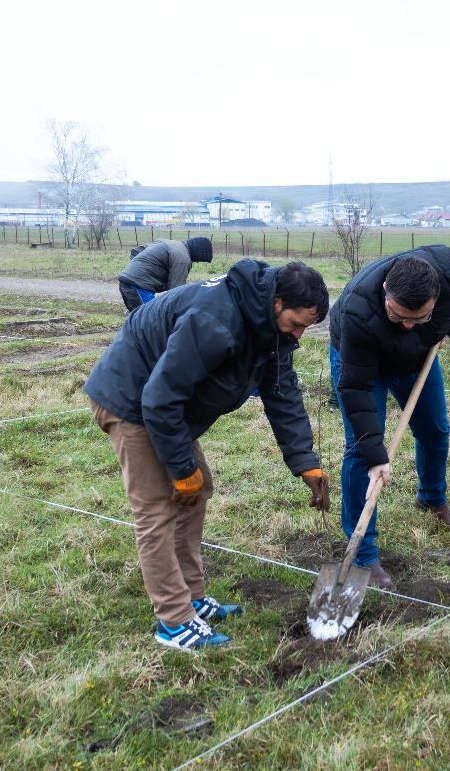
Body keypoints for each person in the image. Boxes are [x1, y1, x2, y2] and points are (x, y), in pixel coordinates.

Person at [85, 259, 331, 650]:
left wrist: (306, 463)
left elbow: (281, 391)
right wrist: (181, 469)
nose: (299, 334)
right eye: (296, 323)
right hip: (132, 400)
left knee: (197, 490)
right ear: (277, 302)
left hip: (167, 405)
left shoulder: (270, 327)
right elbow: (159, 398)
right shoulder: (215, 321)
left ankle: (192, 597)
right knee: (158, 508)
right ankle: (174, 621)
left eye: (306, 327)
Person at [329, 245, 450, 591]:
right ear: (386, 291)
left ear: (436, 296)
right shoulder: (358, 313)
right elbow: (355, 388)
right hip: (363, 366)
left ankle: (431, 497)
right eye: (398, 317)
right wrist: (375, 457)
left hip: (417, 361)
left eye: (420, 318)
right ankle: (362, 553)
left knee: (435, 429)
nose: (409, 325)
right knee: (361, 451)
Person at [117, 236, 214, 312]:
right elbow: (176, 291)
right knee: (152, 319)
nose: (196, 262)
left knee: (137, 320)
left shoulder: (168, 243)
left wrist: (136, 271)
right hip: (139, 287)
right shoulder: (183, 258)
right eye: (198, 260)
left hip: (125, 281)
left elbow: (136, 251)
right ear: (198, 254)